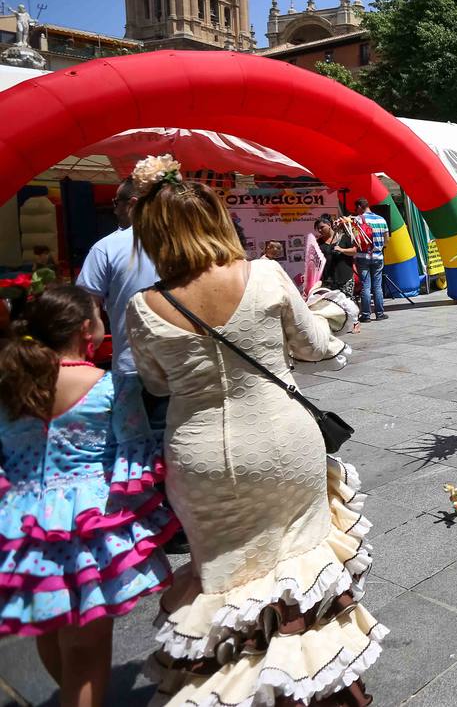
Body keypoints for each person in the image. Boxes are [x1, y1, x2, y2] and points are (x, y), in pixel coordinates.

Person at [124, 159, 383, 706]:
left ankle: (235, 682)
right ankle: (314, 680)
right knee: (302, 564)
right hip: (281, 442)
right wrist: (333, 313)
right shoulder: (263, 275)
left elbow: (154, 381)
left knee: (223, 578)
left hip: (198, 457)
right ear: (217, 221)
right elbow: (315, 346)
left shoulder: (144, 306)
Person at [0, 285, 177, 707]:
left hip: (19, 526)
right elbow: (133, 448)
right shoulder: (110, 386)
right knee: (86, 650)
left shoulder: (9, 383)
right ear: (87, 330)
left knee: (47, 625)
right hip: (87, 527)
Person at [76, 176, 162, 431]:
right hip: (184, 365)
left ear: (132, 203)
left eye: (116, 202)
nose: (114, 208)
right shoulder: (185, 242)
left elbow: (86, 309)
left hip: (132, 365)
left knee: (133, 445)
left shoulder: (106, 248)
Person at [352, 196, 388, 323]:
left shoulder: (357, 220)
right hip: (378, 256)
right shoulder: (381, 219)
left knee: (365, 287)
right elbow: (386, 242)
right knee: (377, 286)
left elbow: (354, 239)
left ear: (359, 207)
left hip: (363, 257)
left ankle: (366, 315)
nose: (356, 211)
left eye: (356, 208)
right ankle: (380, 313)